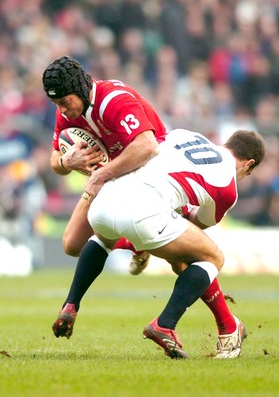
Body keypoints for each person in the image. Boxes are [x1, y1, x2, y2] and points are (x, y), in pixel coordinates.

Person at [43, 56, 249, 358]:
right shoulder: (68, 115)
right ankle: (161, 313)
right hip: (123, 185)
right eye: (56, 104)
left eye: (64, 102)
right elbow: (54, 161)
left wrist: (102, 173)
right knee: (72, 243)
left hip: (138, 173)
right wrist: (65, 162)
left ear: (81, 88)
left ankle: (226, 325)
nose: (61, 110)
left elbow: (148, 146)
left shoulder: (115, 100)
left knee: (177, 257)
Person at [52, 128, 265, 359]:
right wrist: (178, 212)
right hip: (143, 212)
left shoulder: (186, 134)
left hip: (104, 198)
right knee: (212, 257)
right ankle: (165, 324)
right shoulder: (228, 187)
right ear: (249, 164)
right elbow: (198, 224)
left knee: (104, 238)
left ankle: (70, 305)